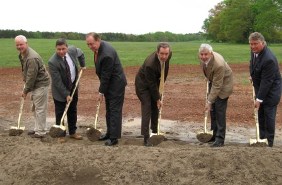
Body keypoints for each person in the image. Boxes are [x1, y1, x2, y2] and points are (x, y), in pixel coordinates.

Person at [85, 32, 127, 146]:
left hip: (116, 85)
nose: (90, 47)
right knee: (109, 110)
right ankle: (109, 133)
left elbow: (106, 76)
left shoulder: (106, 55)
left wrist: (101, 92)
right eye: (88, 44)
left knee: (114, 111)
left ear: (98, 40)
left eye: (92, 44)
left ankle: (114, 138)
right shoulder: (99, 48)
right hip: (110, 84)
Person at [48, 38, 86, 142]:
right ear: (55, 48)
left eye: (63, 49)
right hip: (60, 90)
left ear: (67, 47)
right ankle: (61, 134)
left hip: (73, 85)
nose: (61, 51)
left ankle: (73, 132)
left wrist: (82, 65)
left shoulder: (73, 50)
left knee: (72, 110)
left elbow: (81, 53)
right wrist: (66, 94)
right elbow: (57, 82)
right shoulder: (52, 62)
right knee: (60, 112)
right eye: (58, 49)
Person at [135, 42, 172, 146]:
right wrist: (158, 98)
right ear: (157, 52)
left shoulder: (168, 55)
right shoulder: (150, 65)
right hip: (143, 85)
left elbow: (165, 69)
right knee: (147, 107)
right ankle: (146, 138)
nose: (164, 56)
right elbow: (151, 85)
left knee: (156, 107)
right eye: (162, 54)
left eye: (166, 54)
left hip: (154, 82)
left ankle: (155, 132)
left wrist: (162, 87)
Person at [248, 32, 281, 147]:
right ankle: (262, 138)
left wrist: (259, 99)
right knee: (260, 115)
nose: (252, 46)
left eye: (255, 44)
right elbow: (252, 64)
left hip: (271, 93)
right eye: (251, 44)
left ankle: (269, 143)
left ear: (262, 43)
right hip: (261, 89)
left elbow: (267, 82)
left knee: (268, 117)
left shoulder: (269, 59)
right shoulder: (254, 52)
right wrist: (252, 75)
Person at [15, 35, 50, 138]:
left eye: (21, 44)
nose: (19, 47)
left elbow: (31, 77)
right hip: (35, 84)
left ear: (26, 43)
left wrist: (25, 91)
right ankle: (37, 129)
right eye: (17, 45)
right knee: (35, 108)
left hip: (40, 84)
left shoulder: (31, 58)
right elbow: (26, 71)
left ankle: (41, 132)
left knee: (40, 109)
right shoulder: (23, 54)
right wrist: (24, 77)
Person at [198, 43, 233, 147]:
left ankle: (220, 139)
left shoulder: (219, 64)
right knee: (213, 112)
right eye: (202, 54)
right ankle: (214, 135)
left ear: (211, 53)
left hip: (224, 85)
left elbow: (218, 86)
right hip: (214, 81)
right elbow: (206, 68)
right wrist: (208, 77)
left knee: (219, 111)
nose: (203, 57)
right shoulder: (201, 57)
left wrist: (209, 102)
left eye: (206, 55)